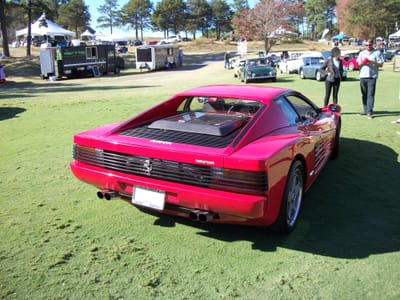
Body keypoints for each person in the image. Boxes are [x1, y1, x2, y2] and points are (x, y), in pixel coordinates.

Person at [356, 39, 384, 119]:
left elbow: (381, 64)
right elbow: (358, 65)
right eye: (367, 45)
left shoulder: (377, 52)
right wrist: (363, 63)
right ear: (365, 45)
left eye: (370, 45)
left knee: (370, 94)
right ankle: (365, 109)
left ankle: (369, 111)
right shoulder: (362, 53)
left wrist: (371, 62)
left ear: (373, 44)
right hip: (363, 76)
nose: (368, 46)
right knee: (364, 94)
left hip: (372, 76)